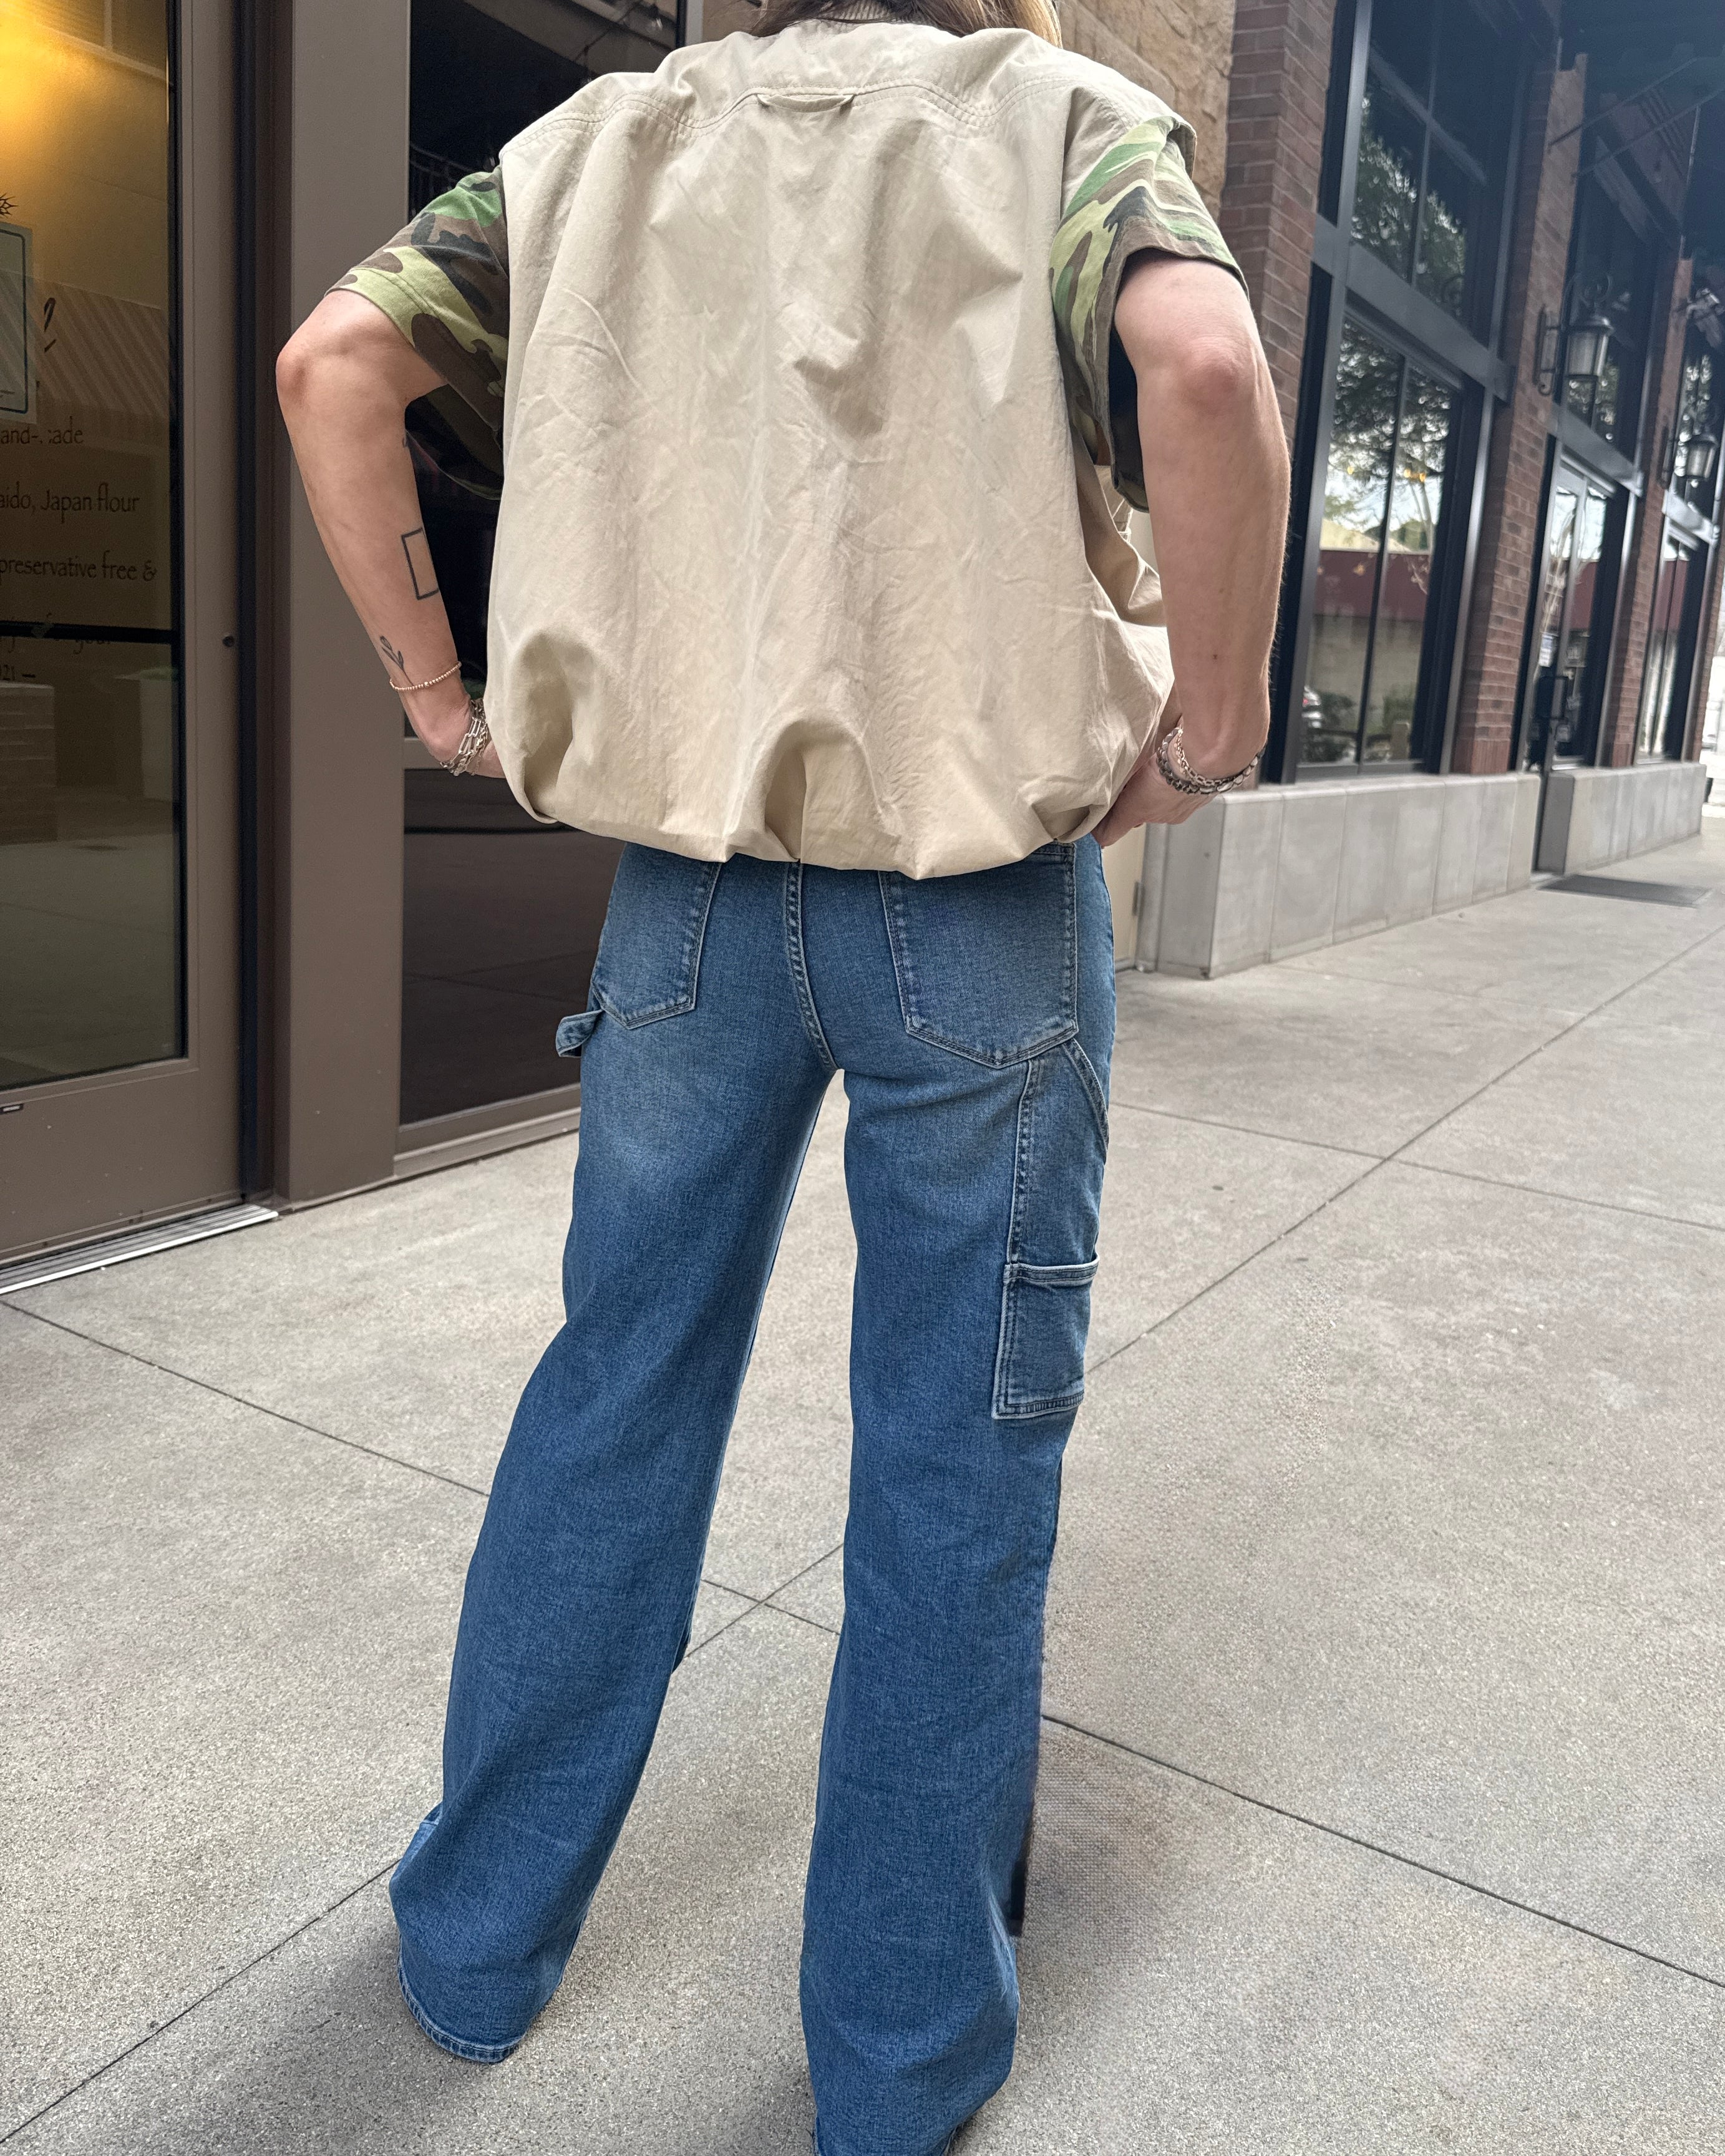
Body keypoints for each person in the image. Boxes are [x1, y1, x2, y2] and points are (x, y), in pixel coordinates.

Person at [276, 0, 1287, 2146]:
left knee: (612, 1395)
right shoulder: (1064, 125)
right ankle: (899, 2066)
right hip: (980, 900)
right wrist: (1215, 726)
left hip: (686, 900)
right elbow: (1204, 368)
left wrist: (443, 703)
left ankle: (470, 1951)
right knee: (953, 1462)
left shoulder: (593, 154)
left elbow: (331, 367)